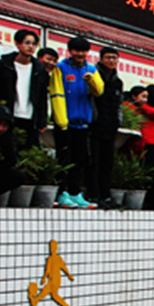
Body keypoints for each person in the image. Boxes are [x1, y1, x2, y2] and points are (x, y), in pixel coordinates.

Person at [49, 36, 103, 209]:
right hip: (65, 124)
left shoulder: (91, 69)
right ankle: (62, 193)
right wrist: (61, 121)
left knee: (80, 161)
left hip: (83, 124)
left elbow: (99, 91)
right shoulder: (61, 68)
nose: (80, 54)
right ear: (70, 51)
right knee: (64, 159)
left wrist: (91, 80)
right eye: (76, 51)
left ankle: (75, 193)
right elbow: (56, 94)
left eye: (84, 51)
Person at [0, 29, 48, 149]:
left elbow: (42, 96)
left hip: (30, 117)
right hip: (9, 114)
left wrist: (42, 119)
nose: (30, 47)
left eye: (34, 44)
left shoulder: (39, 69)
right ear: (17, 43)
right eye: (27, 43)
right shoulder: (3, 64)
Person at [90, 47, 124, 208]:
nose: (111, 61)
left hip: (110, 128)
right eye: (108, 57)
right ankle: (94, 195)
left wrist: (118, 122)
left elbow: (119, 105)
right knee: (94, 162)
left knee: (107, 163)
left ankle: (106, 195)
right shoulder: (94, 75)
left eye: (114, 58)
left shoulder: (118, 82)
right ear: (101, 59)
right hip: (94, 126)